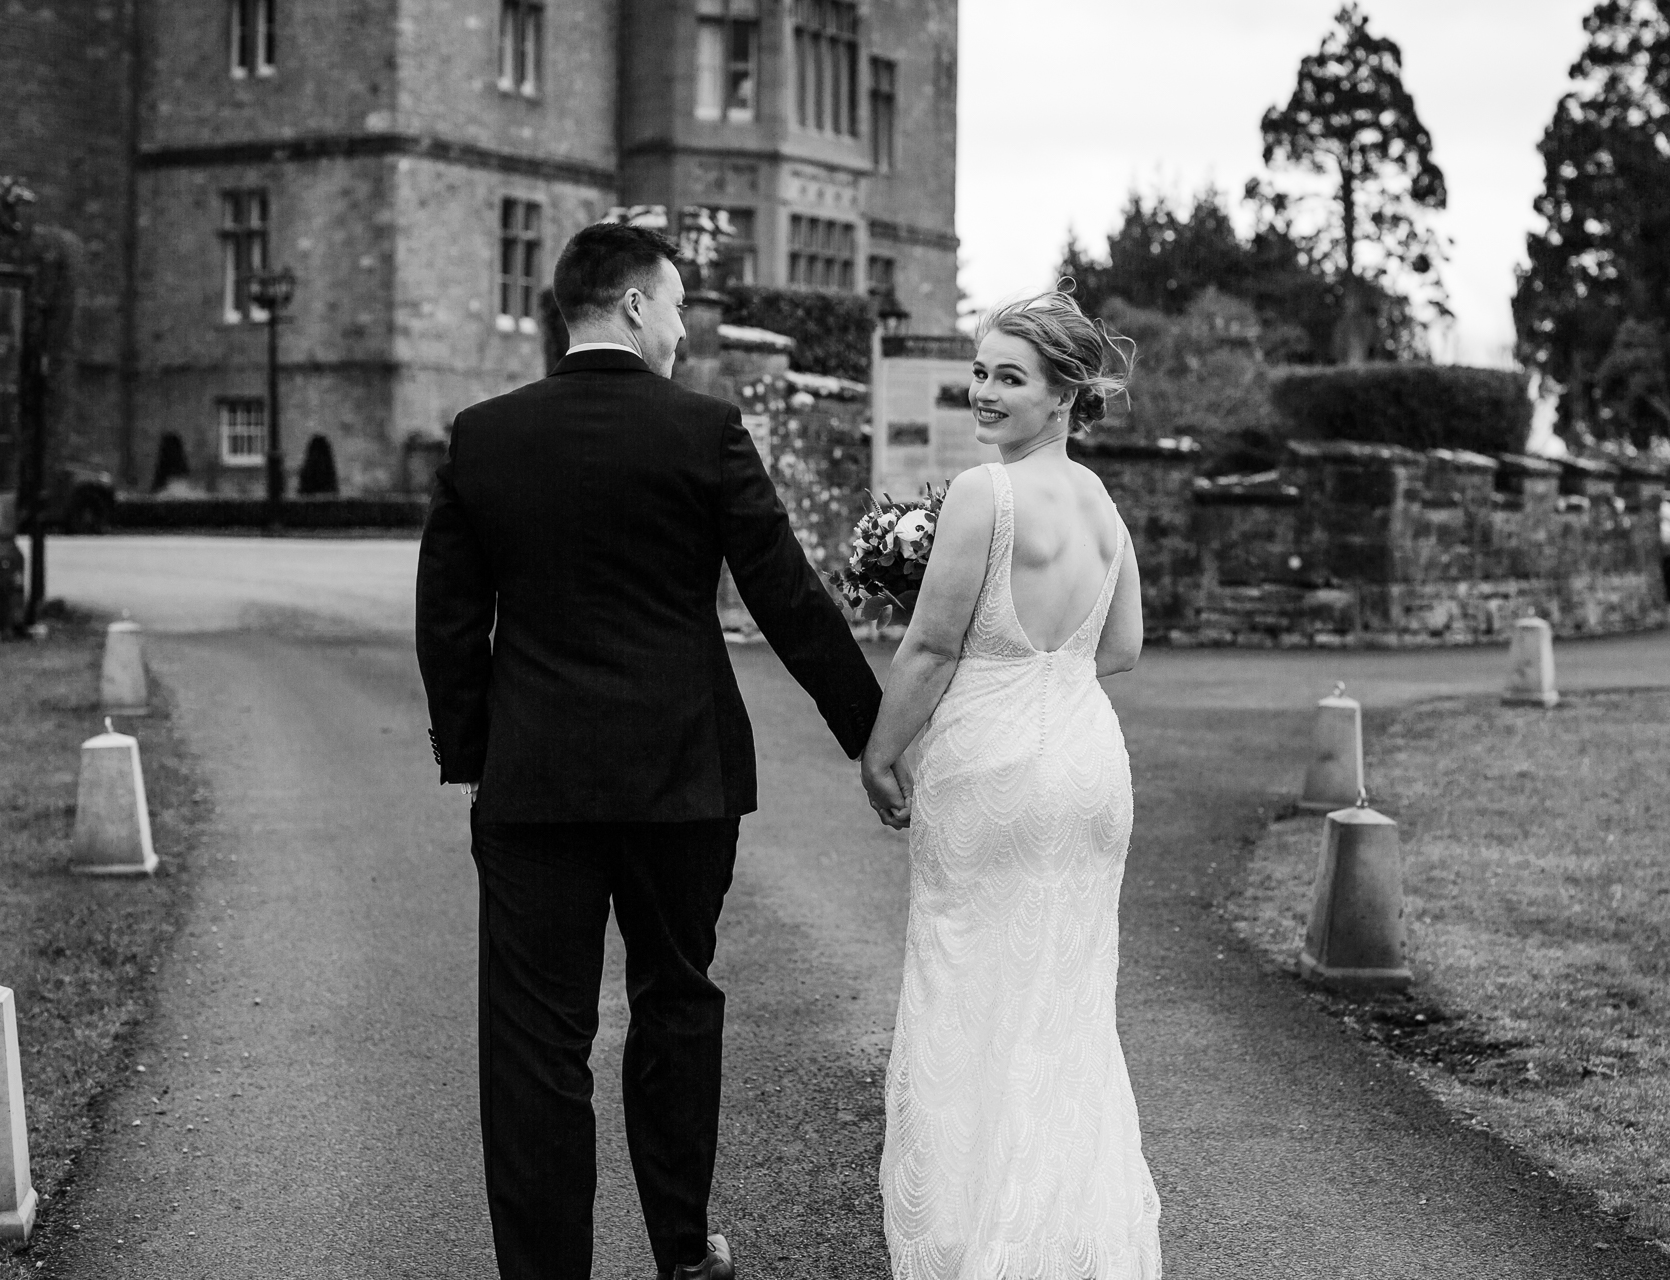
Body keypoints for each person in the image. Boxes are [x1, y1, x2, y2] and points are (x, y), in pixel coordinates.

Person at [415, 221, 884, 1280]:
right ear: (632, 304)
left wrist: (477, 755)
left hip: (535, 789)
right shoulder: (703, 429)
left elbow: (447, 620)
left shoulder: (485, 436)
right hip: (683, 779)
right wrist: (873, 732)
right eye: (674, 304)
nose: (680, 328)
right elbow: (789, 598)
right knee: (677, 997)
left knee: (536, 1040)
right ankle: (682, 1249)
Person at [860, 287, 1162, 1278]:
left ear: (1063, 394)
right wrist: (1045, 663)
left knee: (972, 992)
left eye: (1008, 376)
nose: (983, 392)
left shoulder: (986, 494)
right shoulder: (1101, 505)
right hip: (1087, 761)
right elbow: (1121, 647)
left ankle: (977, 1242)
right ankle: (1069, 1242)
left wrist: (879, 748)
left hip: (995, 764)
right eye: (980, 372)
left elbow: (932, 645)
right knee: (1065, 1006)